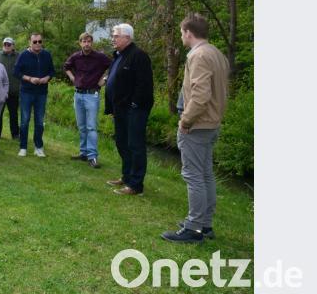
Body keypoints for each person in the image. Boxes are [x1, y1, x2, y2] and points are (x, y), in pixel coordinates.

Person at [161, 14, 229, 243]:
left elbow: (200, 95)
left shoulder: (199, 55)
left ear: (188, 32)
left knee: (193, 176)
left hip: (197, 125)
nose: (181, 36)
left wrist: (185, 121)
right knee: (205, 174)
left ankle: (194, 228)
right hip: (211, 123)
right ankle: (205, 224)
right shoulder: (216, 53)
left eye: (182, 33)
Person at [104, 23, 154, 196]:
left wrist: (134, 105)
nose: (113, 38)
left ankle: (136, 185)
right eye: (113, 35)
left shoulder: (139, 56)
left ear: (127, 37)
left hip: (134, 110)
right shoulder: (118, 55)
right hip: (119, 109)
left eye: (116, 35)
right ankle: (126, 177)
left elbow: (144, 85)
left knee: (135, 145)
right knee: (122, 142)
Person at [63, 32, 112, 169]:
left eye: (89, 41)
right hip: (78, 95)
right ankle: (83, 153)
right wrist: (73, 78)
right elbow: (66, 67)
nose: (87, 44)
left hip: (92, 95)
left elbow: (114, 66)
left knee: (91, 127)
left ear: (92, 43)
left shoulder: (100, 57)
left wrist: (105, 79)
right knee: (82, 126)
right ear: (80, 43)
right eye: (84, 41)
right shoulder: (76, 57)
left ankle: (92, 156)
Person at [13, 33, 56, 157]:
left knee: (39, 121)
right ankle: (23, 147)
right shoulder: (23, 55)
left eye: (39, 41)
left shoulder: (47, 55)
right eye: (35, 41)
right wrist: (29, 78)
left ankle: (38, 147)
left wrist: (46, 78)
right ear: (29, 42)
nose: (37, 44)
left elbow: (52, 71)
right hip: (26, 92)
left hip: (41, 93)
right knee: (25, 121)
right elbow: (16, 72)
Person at [0, 37, 20, 140]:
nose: (6, 46)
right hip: (0, 90)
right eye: (5, 44)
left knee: (14, 114)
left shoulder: (19, 56)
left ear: (13, 46)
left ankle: (15, 134)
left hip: (14, 90)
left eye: (9, 44)